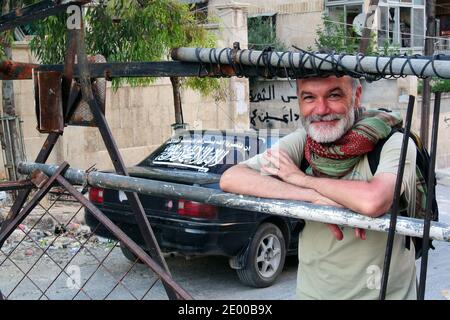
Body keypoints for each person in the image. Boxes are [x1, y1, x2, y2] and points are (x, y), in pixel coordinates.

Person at [220, 75, 417, 300]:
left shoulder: (392, 142)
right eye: (309, 97)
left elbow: (373, 201)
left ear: (356, 96)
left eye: (334, 95)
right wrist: (313, 197)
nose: (321, 109)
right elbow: (232, 178)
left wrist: (302, 179)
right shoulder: (304, 141)